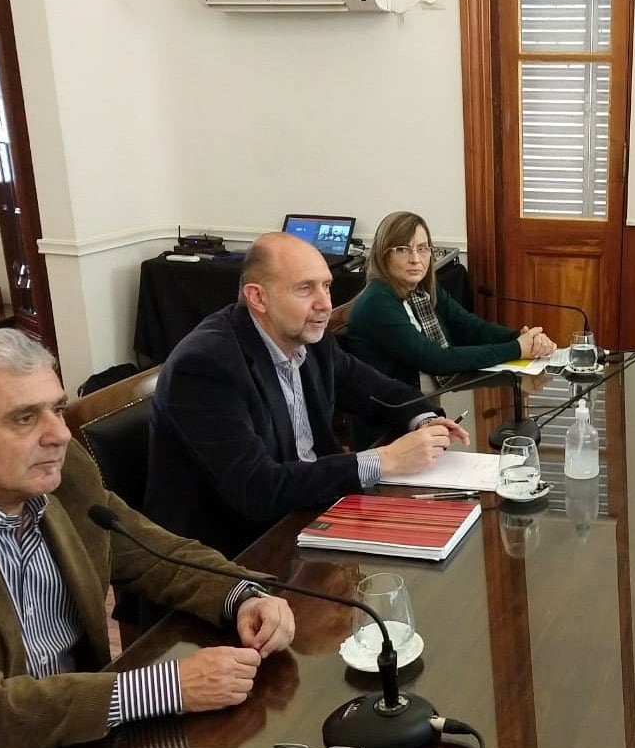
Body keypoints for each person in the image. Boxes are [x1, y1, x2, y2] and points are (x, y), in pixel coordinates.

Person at [0, 328, 295, 748]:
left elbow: (151, 551)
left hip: (83, 736)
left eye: (56, 407)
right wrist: (166, 686)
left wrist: (243, 593)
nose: (58, 433)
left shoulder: (63, 470)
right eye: (24, 417)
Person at [145, 231, 469, 557]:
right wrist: (386, 460)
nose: (325, 304)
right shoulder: (206, 366)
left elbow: (378, 389)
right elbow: (257, 489)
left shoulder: (309, 339)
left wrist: (424, 420)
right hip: (237, 549)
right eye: (305, 288)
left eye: (326, 286)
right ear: (258, 298)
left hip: (310, 510)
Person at [348, 210, 557, 393]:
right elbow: (434, 359)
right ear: (383, 255)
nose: (415, 259)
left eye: (422, 248)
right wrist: (516, 348)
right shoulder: (377, 302)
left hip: (438, 394)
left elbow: (469, 327)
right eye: (403, 249)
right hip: (396, 415)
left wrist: (523, 337)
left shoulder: (422, 288)